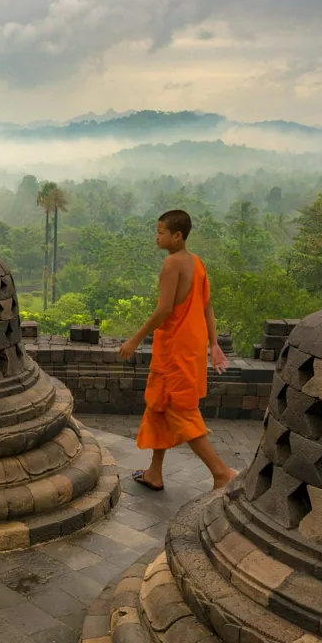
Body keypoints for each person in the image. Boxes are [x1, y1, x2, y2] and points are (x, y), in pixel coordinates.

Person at [118, 209, 237, 491]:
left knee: (180, 410)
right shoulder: (197, 263)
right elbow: (206, 306)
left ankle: (220, 473)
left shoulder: (172, 263)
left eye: (160, 233)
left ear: (177, 236)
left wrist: (135, 339)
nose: (156, 237)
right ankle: (154, 473)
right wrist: (214, 344)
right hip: (190, 346)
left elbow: (165, 310)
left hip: (175, 348)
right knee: (159, 405)